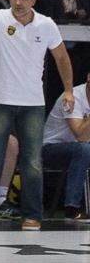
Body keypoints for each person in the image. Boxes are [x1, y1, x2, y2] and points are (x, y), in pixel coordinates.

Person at [0, 0, 74, 233]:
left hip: (33, 104)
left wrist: (69, 90)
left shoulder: (46, 25)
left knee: (33, 161)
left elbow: (62, 57)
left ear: (33, 1)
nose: (18, 2)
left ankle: (33, 216)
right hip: (0, 101)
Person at [42, 71, 90, 223]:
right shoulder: (73, 97)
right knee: (83, 149)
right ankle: (72, 208)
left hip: (80, 150)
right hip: (51, 149)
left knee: (84, 150)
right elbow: (81, 135)